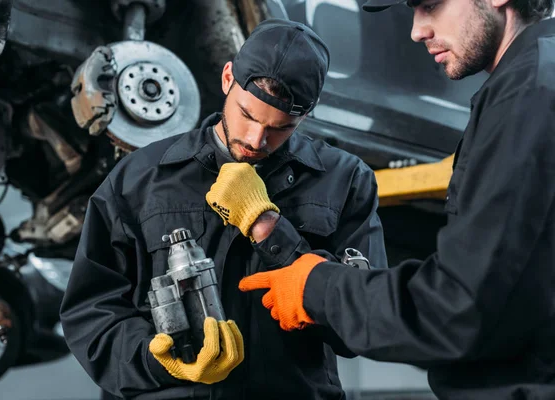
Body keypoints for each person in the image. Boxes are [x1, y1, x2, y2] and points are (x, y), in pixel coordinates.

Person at [237, 1, 555, 399]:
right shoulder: (535, 79)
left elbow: (456, 310)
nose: (416, 30)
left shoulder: (530, 92)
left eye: (429, 6)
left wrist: (315, 287)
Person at [60, 18, 388, 400]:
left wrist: (269, 228)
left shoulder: (345, 180)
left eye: (281, 127)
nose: (256, 139)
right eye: (247, 115)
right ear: (227, 78)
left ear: (308, 114)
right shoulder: (138, 179)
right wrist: (154, 361)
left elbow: (365, 319)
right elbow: (91, 310)